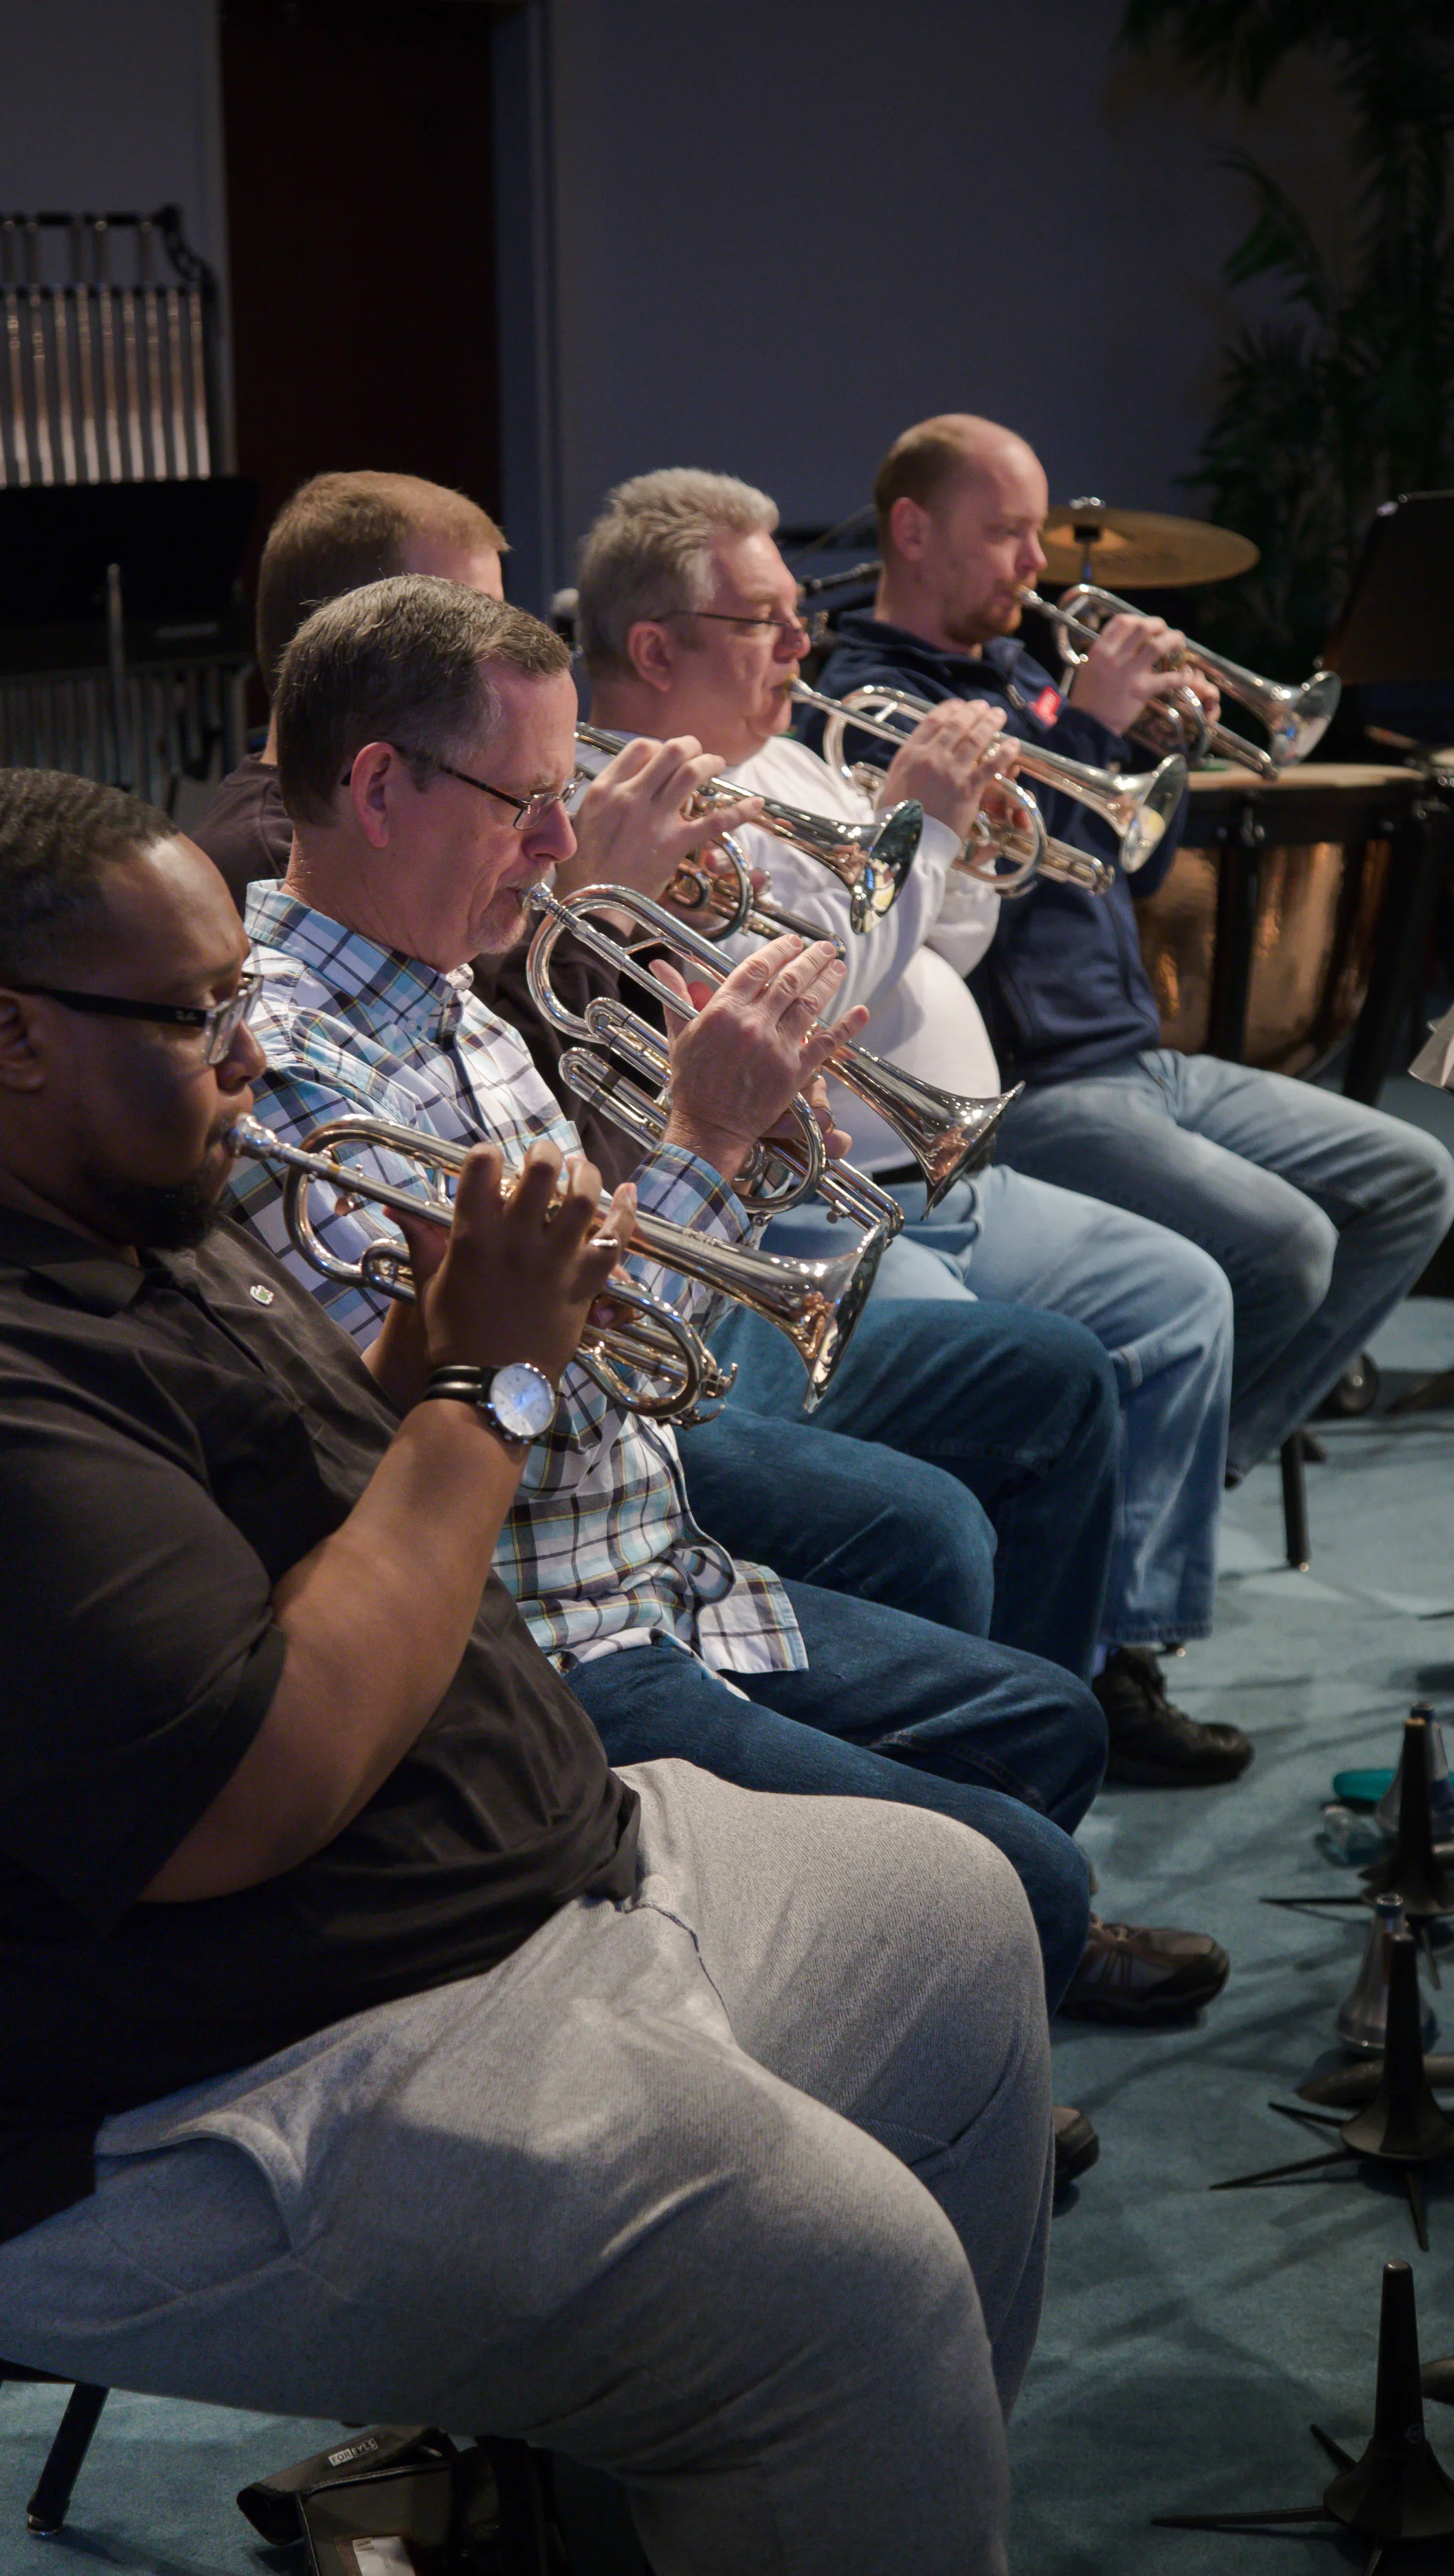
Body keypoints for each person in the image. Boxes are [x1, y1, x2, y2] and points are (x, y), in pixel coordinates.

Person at [0, 766, 1053, 2576]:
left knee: (960, 1911)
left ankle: (745, 2489)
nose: (250, 1054)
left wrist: (421, 1352)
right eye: (195, 1015)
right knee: (848, 2289)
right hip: (180, 2098)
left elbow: (272, 1548)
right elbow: (244, 1789)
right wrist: (491, 1386)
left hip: (505, 1898)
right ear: (8, 1036)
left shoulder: (137, 1214)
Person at [225, 566, 1232, 2045]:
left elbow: (628, 1329)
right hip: (543, 1644)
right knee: (1013, 1869)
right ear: (376, 788)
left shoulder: (445, 989)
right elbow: (499, 1404)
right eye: (524, 803)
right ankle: (909, 2018)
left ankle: (919, 1993)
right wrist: (699, 1145)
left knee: (1047, 1724)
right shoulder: (293, 1068)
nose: (562, 848)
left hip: (654, 1560)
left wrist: (730, 1152)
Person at [201, 471, 1129, 1711]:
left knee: (1036, 1411)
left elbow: (563, 1132)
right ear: (364, 654)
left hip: (644, 1311)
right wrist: (591, 928)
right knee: (946, 1543)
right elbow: (503, 1352)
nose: (505, 640)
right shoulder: (288, 880)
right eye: (459, 619)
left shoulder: (443, 893)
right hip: (573, 1439)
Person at [574, 468, 1248, 1797]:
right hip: (798, 1213)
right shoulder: (632, 809)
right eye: (766, 622)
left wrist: (962, 842)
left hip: (925, 1158)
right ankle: (994, 1764)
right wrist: (922, 832)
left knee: (1161, 1314)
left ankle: (1081, 1693)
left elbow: (938, 936)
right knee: (960, 1475)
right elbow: (822, 990)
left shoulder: (777, 758)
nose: (800, 644)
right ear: (657, 650)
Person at [814, 413, 1454, 1487]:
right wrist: (1094, 735)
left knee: (1415, 1180)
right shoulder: (880, 703)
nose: (1035, 565)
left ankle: (1187, 1479)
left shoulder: (1024, 673)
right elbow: (984, 905)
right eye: (1009, 534)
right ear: (912, 531)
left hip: (1143, 1057)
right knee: (1289, 1246)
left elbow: (1125, 873)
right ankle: (1144, 1507)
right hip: (1042, 1087)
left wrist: (1144, 750)